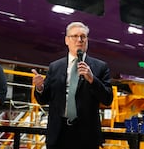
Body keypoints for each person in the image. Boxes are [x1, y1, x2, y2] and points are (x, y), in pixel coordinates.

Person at [33, 21, 113, 149]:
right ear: (66, 40)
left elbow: (108, 99)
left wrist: (92, 79)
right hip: (58, 133)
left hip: (86, 135)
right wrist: (39, 87)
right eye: (74, 36)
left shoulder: (100, 67)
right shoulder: (55, 67)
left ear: (87, 40)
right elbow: (43, 100)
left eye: (83, 36)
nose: (79, 40)